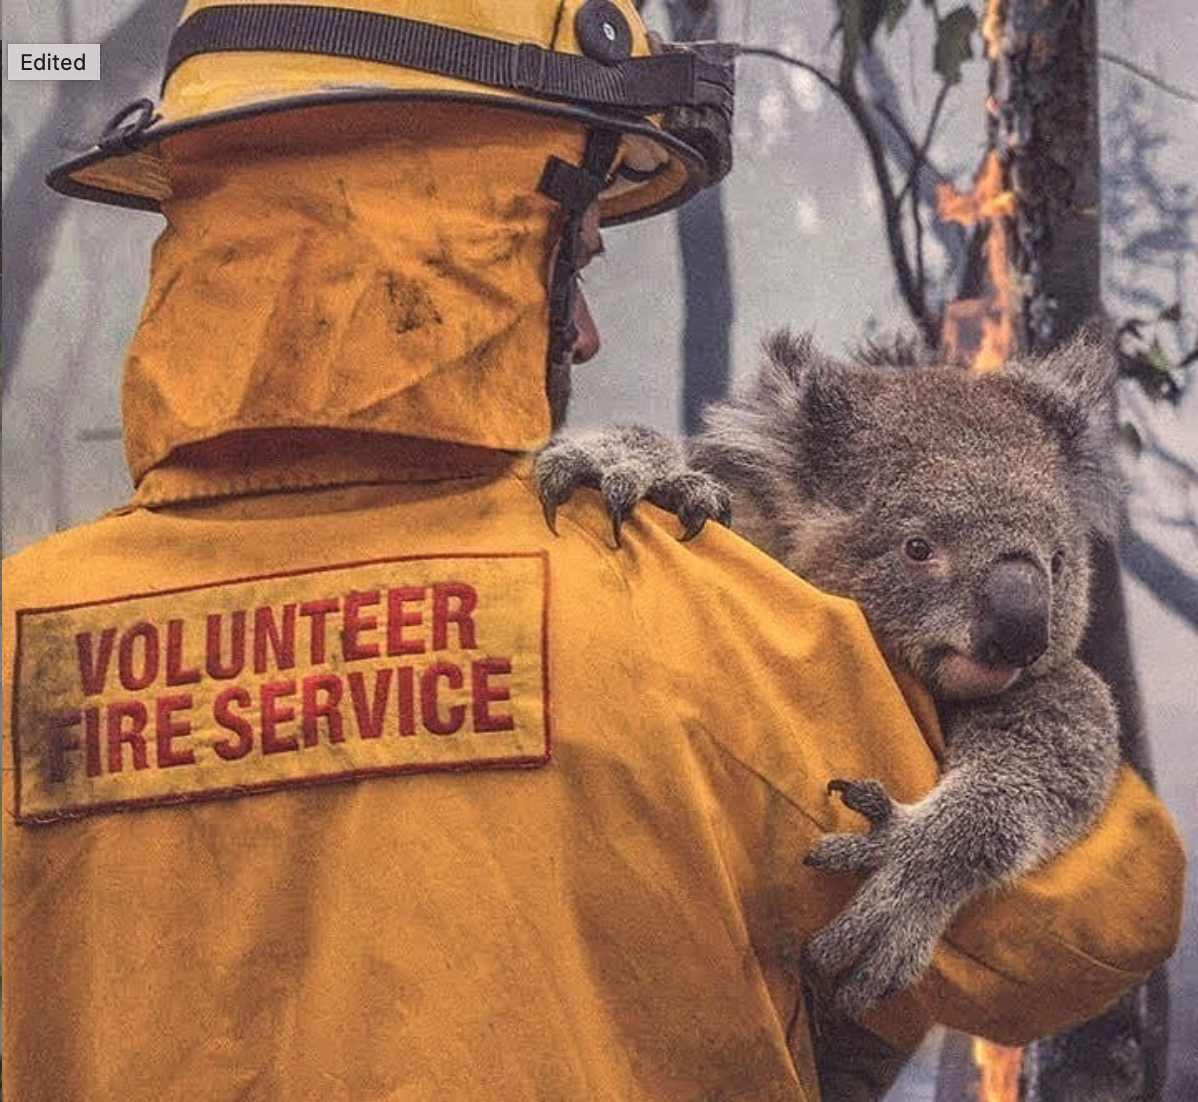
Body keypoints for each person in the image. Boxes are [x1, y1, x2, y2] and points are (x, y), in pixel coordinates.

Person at [2, 2, 1182, 1100]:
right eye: (568, 256)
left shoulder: (19, 629)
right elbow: (1085, 927)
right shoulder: (703, 621)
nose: (584, 326)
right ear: (468, 243)